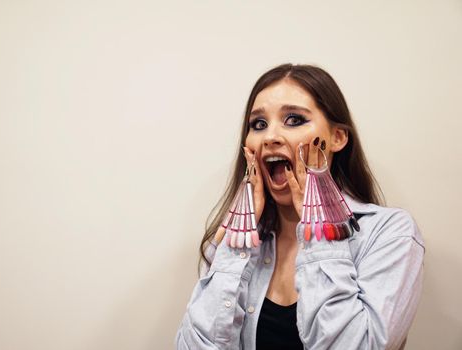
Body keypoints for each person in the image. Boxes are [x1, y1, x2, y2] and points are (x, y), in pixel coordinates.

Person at [174, 63, 425, 349]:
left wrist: (320, 229)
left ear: (337, 138)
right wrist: (236, 247)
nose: (270, 137)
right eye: (258, 124)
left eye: (294, 120)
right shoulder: (233, 239)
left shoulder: (390, 234)